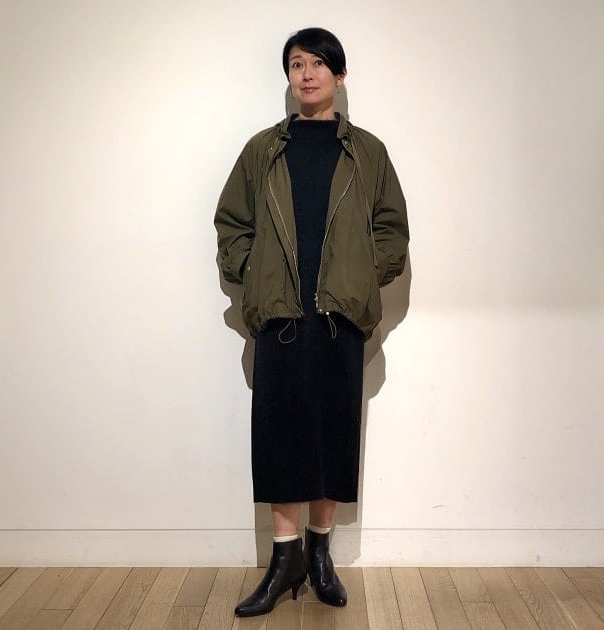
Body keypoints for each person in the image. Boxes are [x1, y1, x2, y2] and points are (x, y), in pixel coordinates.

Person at [214, 27, 409, 617]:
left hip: (338, 318)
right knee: (279, 435)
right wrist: (253, 272)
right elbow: (231, 223)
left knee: (332, 432)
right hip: (279, 314)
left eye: (319, 63)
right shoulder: (262, 150)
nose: (307, 73)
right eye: (297, 63)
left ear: (339, 76)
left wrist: (359, 278)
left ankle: (320, 554)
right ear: (289, 76)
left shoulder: (367, 152)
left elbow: (391, 230)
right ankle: (284, 560)